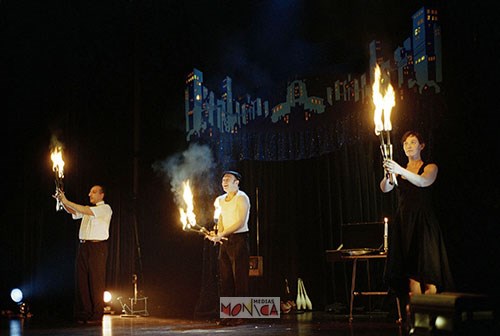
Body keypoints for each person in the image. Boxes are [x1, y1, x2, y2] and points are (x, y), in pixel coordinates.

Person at [380, 131, 454, 308]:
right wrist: (390, 173)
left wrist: (399, 169)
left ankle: (431, 316)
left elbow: (422, 182)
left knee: (429, 275)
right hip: (405, 225)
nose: (409, 146)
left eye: (413, 142)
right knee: (411, 277)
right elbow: (385, 188)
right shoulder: (399, 171)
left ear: (422, 146)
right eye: (406, 143)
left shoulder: (430, 167)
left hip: (423, 225)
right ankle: (416, 320)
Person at [55, 185, 113, 324]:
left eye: (93, 192)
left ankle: (97, 314)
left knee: (96, 281)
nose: (89, 194)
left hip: (97, 247)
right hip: (83, 247)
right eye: (90, 191)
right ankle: (86, 312)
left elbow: (83, 209)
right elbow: (73, 211)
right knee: (82, 280)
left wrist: (66, 200)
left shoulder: (105, 209)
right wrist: (62, 201)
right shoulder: (88, 210)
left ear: (102, 195)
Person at [207, 171, 251, 317]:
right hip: (225, 241)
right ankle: (228, 315)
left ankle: (240, 315)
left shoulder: (242, 197)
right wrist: (217, 234)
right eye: (223, 180)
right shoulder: (219, 200)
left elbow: (240, 222)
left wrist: (222, 234)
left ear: (236, 182)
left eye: (228, 180)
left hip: (239, 239)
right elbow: (220, 220)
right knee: (225, 278)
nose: (224, 182)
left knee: (240, 278)